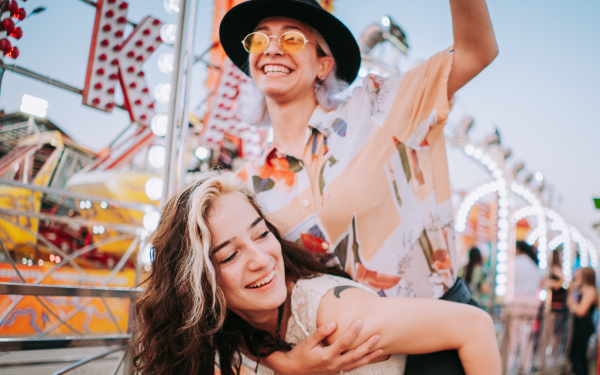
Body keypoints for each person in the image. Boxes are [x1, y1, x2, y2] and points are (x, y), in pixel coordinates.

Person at [218, 0, 498, 373]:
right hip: (343, 361)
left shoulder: (380, 107)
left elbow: (476, 51)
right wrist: (283, 361)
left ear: (323, 63)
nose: (272, 47)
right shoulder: (245, 186)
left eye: (291, 38)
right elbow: (228, 302)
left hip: (441, 341)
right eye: (260, 39)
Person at [133, 172, 501, 375]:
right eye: (229, 256)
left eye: (262, 234)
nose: (261, 258)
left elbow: (475, 326)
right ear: (196, 285)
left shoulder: (335, 317)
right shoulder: (238, 328)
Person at [568, 267, 598, 375]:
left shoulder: (590, 291)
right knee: (578, 357)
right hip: (580, 325)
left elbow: (581, 311)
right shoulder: (582, 289)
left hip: (583, 326)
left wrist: (573, 305)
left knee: (576, 356)